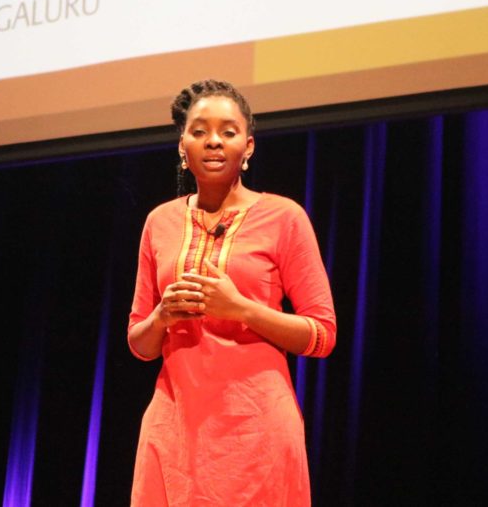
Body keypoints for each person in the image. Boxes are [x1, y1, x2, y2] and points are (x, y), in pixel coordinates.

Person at [127, 79, 337, 506]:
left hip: (255, 428)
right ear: (182, 146)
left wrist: (242, 309)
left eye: (228, 131)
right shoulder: (159, 222)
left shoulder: (284, 217)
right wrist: (162, 316)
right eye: (199, 131)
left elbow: (322, 335)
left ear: (249, 147)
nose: (213, 141)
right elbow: (139, 344)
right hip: (174, 426)